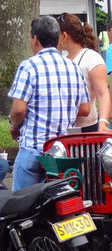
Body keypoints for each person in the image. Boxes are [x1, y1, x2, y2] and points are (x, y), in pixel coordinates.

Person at [8, 16, 90, 191]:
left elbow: (18, 111)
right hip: (62, 152)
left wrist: (14, 126)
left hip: (33, 151)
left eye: (30, 38)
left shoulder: (29, 66)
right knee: (58, 203)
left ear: (35, 39)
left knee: (21, 208)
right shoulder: (73, 67)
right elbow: (85, 108)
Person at [57, 13, 111, 132]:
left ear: (65, 35)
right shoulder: (64, 59)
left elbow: (103, 94)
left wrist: (103, 122)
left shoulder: (91, 58)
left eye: (57, 34)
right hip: (66, 126)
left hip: (87, 127)